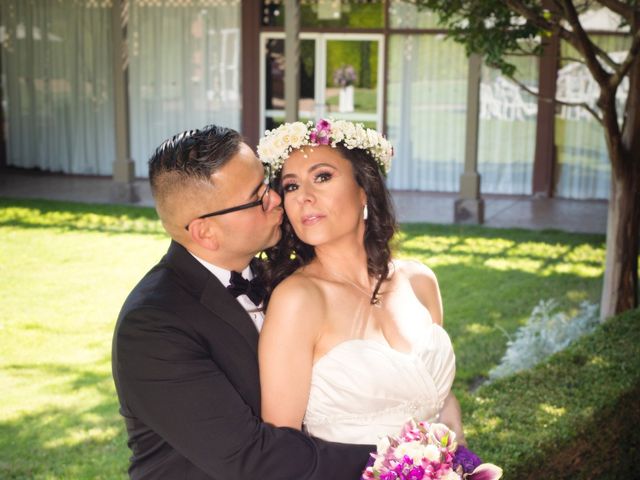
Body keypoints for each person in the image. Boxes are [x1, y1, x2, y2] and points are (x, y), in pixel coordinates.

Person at [111, 124, 372, 480]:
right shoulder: (153, 327)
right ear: (206, 232)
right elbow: (252, 459)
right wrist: (397, 460)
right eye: (258, 198)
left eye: (270, 186)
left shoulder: (281, 276)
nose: (278, 200)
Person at [257, 119, 465, 446]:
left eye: (322, 177)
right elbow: (281, 445)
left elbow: (441, 402)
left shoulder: (419, 282)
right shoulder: (298, 300)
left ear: (364, 191)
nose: (303, 198)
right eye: (291, 186)